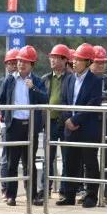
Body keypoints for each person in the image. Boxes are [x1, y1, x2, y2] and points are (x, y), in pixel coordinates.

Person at [0, 45, 48, 206]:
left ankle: (32, 195)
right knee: (12, 163)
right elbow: (2, 100)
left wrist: (33, 88)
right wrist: (6, 117)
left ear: (32, 64)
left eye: (25, 62)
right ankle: (11, 195)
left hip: (30, 126)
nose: (21, 64)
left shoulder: (37, 81)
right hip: (14, 125)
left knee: (29, 163)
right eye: (19, 61)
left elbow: (45, 99)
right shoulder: (10, 80)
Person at [58, 43, 103, 208]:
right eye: (74, 59)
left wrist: (75, 120)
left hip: (87, 129)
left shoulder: (95, 81)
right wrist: (67, 119)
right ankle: (69, 195)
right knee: (70, 162)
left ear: (88, 62)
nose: (74, 62)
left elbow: (93, 104)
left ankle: (91, 196)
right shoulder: (69, 79)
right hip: (70, 128)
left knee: (90, 163)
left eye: (78, 59)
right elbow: (63, 101)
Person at [41, 44, 71, 198]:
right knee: (48, 158)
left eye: (56, 58)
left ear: (65, 60)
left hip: (65, 123)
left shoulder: (71, 78)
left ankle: (64, 191)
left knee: (67, 158)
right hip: (50, 122)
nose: (52, 60)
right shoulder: (45, 79)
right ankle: (45, 189)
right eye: (51, 57)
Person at [90, 45, 107, 205]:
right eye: (97, 62)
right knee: (89, 158)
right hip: (91, 122)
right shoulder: (85, 79)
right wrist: (99, 97)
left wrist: (95, 97)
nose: (101, 65)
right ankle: (89, 191)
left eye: (103, 62)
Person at [0, 49, 19, 200]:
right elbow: (2, 101)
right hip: (7, 124)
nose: (13, 66)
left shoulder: (24, 81)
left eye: (15, 63)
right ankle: (5, 188)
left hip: (20, 124)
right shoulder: (3, 81)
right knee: (6, 158)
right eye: (10, 63)